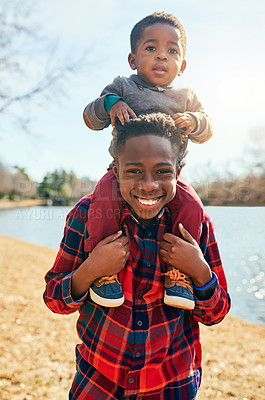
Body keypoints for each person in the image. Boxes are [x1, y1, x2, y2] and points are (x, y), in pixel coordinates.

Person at [44, 113, 230, 400]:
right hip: (98, 385)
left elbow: (216, 313)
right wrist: (91, 270)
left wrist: (199, 271)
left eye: (162, 172)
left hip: (171, 387)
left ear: (178, 171)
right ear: (115, 170)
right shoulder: (86, 216)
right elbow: (54, 299)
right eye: (133, 171)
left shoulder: (196, 226)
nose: (148, 185)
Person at [83, 12, 213, 309]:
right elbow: (90, 118)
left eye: (172, 50)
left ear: (182, 65)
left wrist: (194, 120)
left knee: (192, 206)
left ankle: (179, 273)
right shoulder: (124, 87)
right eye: (151, 48)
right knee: (103, 200)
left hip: (169, 178)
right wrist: (111, 104)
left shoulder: (187, 96)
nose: (161, 57)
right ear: (133, 59)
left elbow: (207, 129)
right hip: (123, 175)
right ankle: (104, 271)